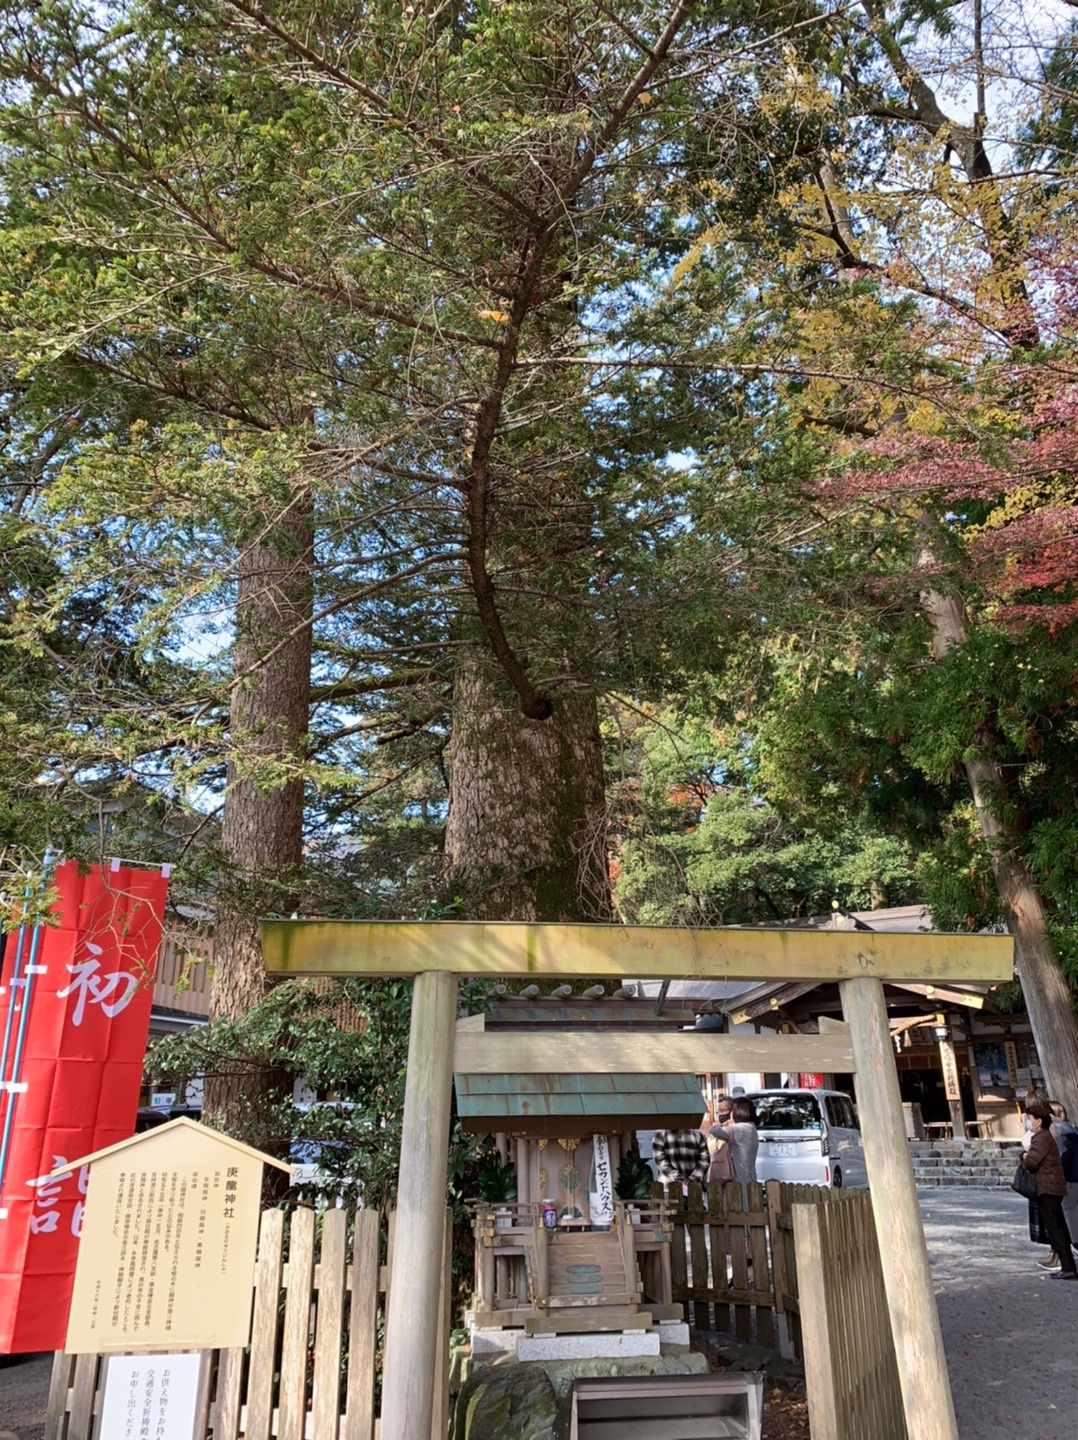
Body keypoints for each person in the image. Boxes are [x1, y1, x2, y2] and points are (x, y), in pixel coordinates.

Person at [1022, 1095, 1076, 1280]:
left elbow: (1032, 1162)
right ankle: (1067, 1265)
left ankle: (1068, 1266)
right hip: (1052, 1185)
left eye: (1030, 1119)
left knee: (1056, 1228)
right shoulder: (1046, 1136)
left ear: (1038, 1120)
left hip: (1049, 1186)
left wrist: (1023, 1156)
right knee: (1057, 1226)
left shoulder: (1042, 1137)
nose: (1029, 1122)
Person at [709, 1095, 759, 1204]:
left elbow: (714, 1130)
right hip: (749, 1174)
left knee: (740, 1206)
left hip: (739, 1176)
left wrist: (716, 1125)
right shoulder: (751, 1126)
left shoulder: (740, 1128)